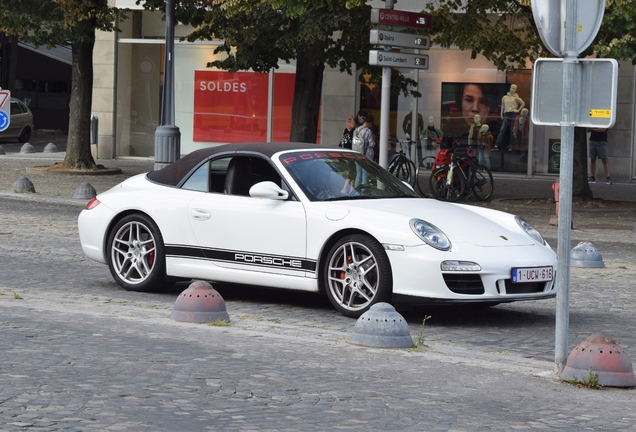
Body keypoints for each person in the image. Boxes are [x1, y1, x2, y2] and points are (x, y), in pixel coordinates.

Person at [494, 84, 525, 151]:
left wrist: (518, 110)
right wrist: (501, 114)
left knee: (512, 130)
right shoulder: (505, 97)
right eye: (511, 88)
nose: (512, 90)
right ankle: (496, 145)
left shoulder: (516, 98)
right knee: (502, 130)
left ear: (516, 90)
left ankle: (511, 146)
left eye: (514, 89)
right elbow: (503, 106)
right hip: (507, 114)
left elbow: (523, 103)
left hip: (513, 114)